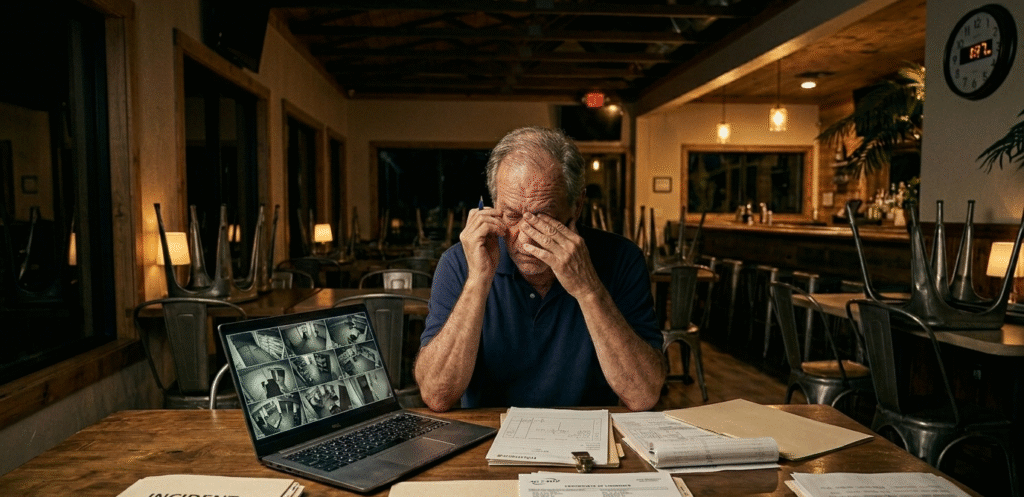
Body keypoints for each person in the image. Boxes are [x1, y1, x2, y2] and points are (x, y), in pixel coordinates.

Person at [414, 126, 665, 412]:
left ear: (577, 205)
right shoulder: (459, 262)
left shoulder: (622, 258)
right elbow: (437, 395)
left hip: (588, 438)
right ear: (494, 206)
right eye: (511, 216)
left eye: (543, 217)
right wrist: (478, 281)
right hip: (487, 440)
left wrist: (588, 288)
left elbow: (644, 395)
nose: (525, 237)